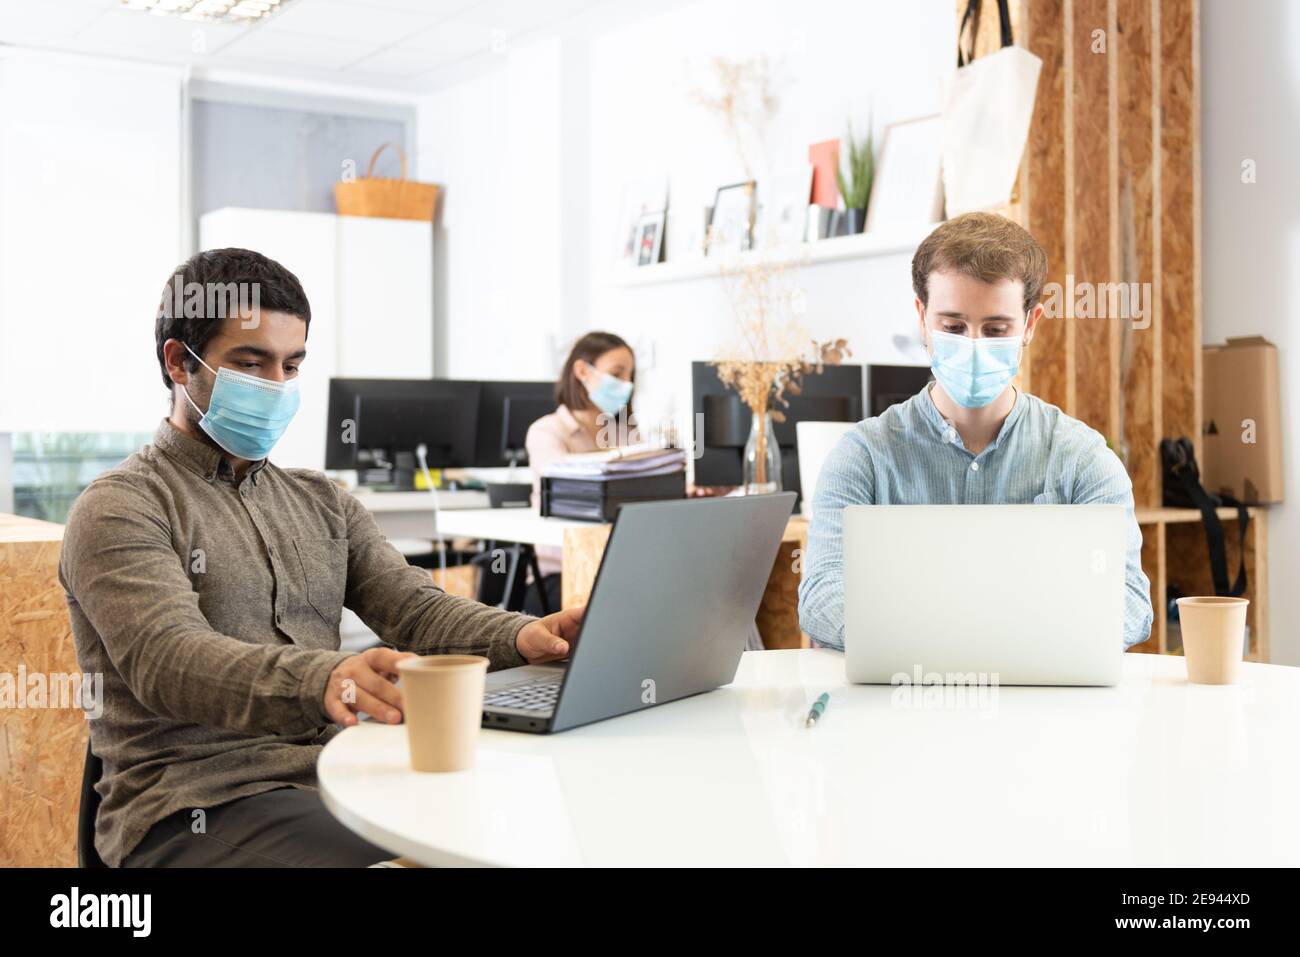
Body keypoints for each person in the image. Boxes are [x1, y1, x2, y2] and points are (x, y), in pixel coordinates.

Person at [59, 248, 583, 867]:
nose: (278, 387)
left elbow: (413, 609)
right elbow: (168, 658)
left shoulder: (322, 501)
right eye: (252, 365)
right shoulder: (121, 506)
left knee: (523, 833)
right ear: (179, 362)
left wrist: (529, 635)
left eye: (292, 365)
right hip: (197, 805)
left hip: (341, 775)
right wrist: (326, 678)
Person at [798, 212, 1153, 650]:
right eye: (952, 327)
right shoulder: (864, 457)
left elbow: (1130, 602)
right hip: (899, 700)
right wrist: (937, 644)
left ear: (1030, 325)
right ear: (922, 318)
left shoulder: (1081, 459)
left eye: (995, 329)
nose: (973, 344)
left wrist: (1011, 643)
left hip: (1038, 704)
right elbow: (822, 594)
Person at [523, 332, 639, 613]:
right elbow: (570, 486)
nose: (627, 384)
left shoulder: (626, 433)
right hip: (562, 573)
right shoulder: (547, 431)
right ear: (582, 371)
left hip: (621, 568)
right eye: (617, 373)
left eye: (630, 375)